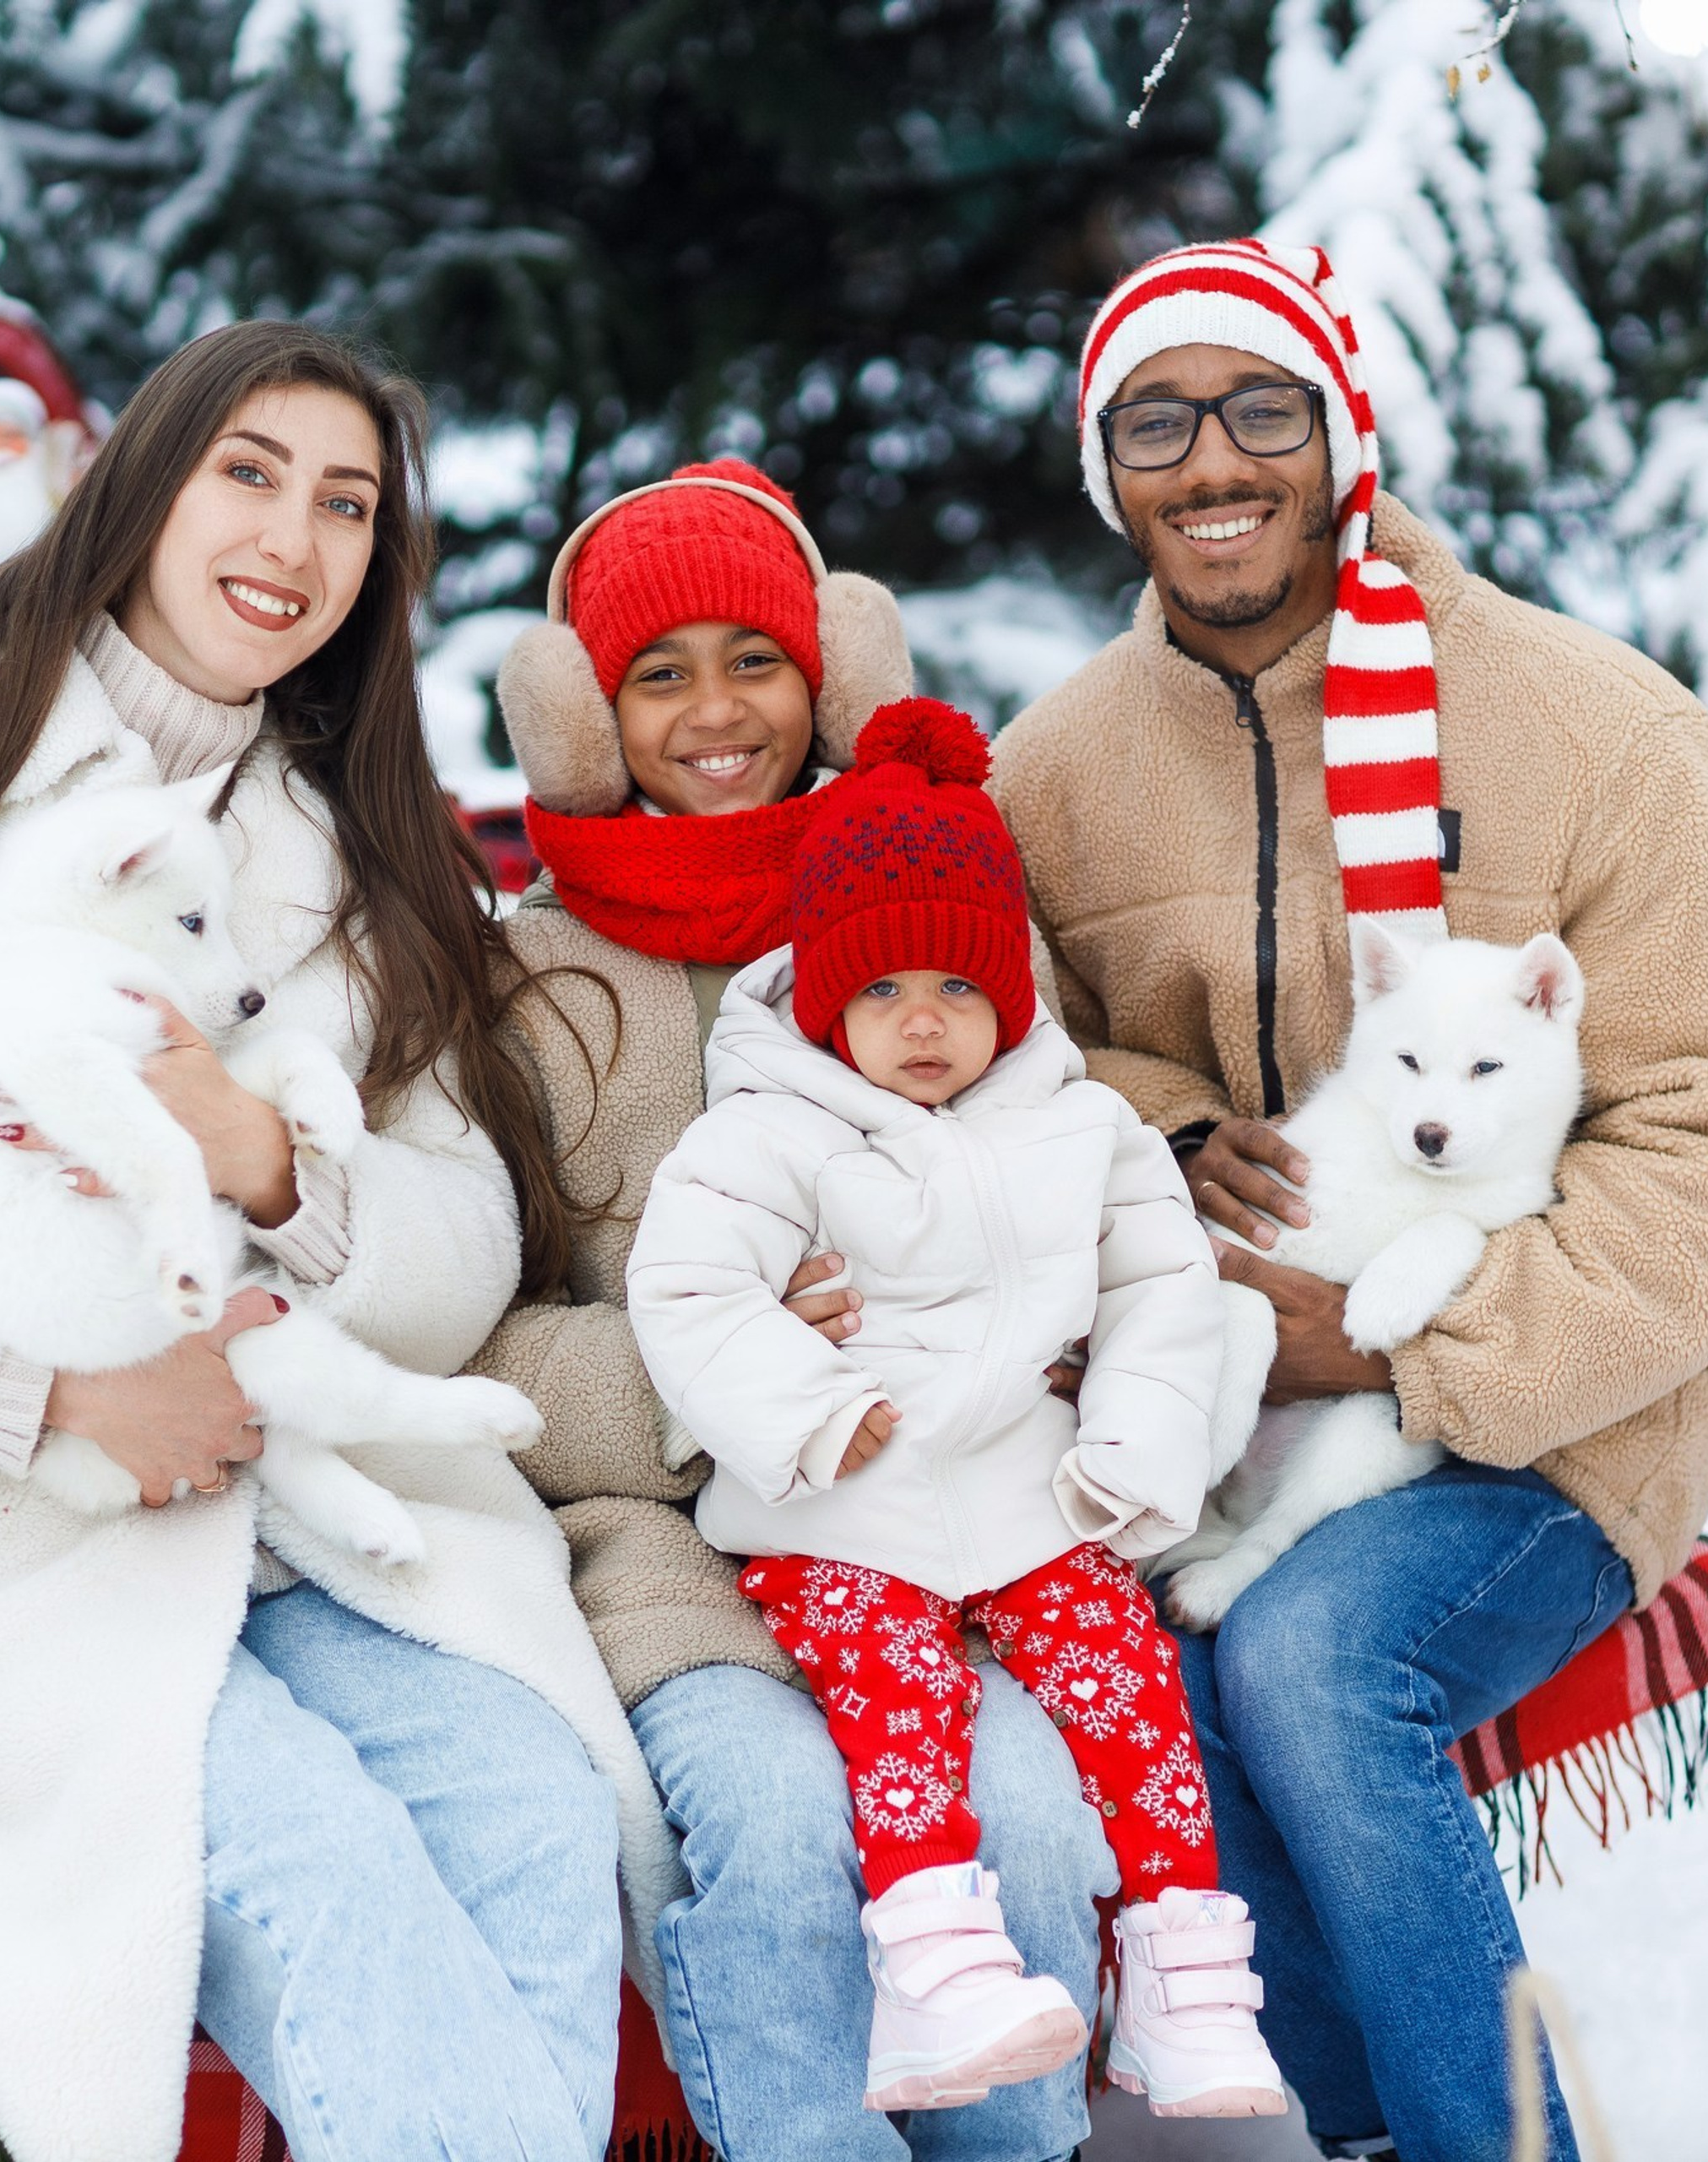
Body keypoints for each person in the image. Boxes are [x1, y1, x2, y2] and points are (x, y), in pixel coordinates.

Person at [0, 323, 632, 2162]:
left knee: (532, 1817)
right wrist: (51, 1397)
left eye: (348, 504)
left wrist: (268, 1166)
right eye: (247, 470)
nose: (295, 536)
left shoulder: (351, 844)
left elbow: (471, 1230)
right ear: (139, 479)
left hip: (301, 1527)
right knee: (323, 1882)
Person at [993, 237, 1708, 2162]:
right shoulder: (1050, 773)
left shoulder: (1597, 728)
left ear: (1338, 434)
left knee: (1309, 1656)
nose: (1209, 459)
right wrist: (1154, 1128)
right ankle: (1368, 2131)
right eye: (1156, 418)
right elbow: (992, 1061)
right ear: (1105, 467)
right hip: (1214, 1381)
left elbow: (1691, 1140)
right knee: (1143, 1657)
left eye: (1257, 406)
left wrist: (1400, 1346)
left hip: (1550, 1410)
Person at [472, 458, 1120, 2162]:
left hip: (933, 1513)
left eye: (752, 659)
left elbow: (1063, 1174)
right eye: (655, 671)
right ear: (583, 711)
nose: (714, 710)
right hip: (673, 1546)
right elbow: (472, 1338)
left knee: (1035, 1824)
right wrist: (710, 1366)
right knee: (764, 1825)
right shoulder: (516, 984)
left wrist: (1038, 1323)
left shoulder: (938, 914)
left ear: (828, 671)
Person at [624, 698, 1282, 2122]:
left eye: (957, 989)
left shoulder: (1079, 1122)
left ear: (1011, 992)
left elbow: (1166, 1287)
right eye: (882, 993)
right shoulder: (763, 1132)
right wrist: (801, 1407)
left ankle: (1183, 1980)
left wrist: (1130, 1443)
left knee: (1133, 1696)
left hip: (1028, 1500)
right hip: (842, 1511)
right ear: (825, 1001)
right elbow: (683, 1292)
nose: (923, 1026)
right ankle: (933, 1963)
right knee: (902, 1705)